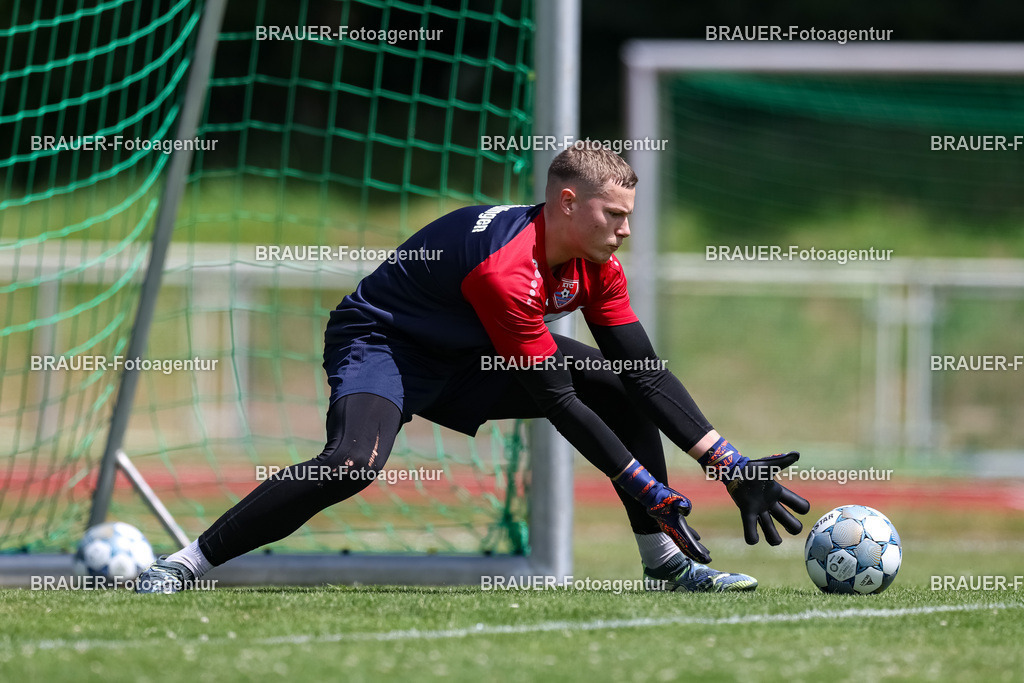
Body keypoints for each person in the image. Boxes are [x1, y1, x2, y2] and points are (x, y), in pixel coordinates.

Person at [136, 144, 809, 594]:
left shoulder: (598, 266)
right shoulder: (507, 269)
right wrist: (644, 484)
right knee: (350, 462)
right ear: (568, 203)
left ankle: (664, 566)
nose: (625, 230)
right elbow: (558, 403)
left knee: (617, 385)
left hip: (471, 353)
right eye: (614, 214)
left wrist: (729, 462)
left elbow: (647, 374)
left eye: (629, 216)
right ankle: (184, 564)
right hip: (386, 345)